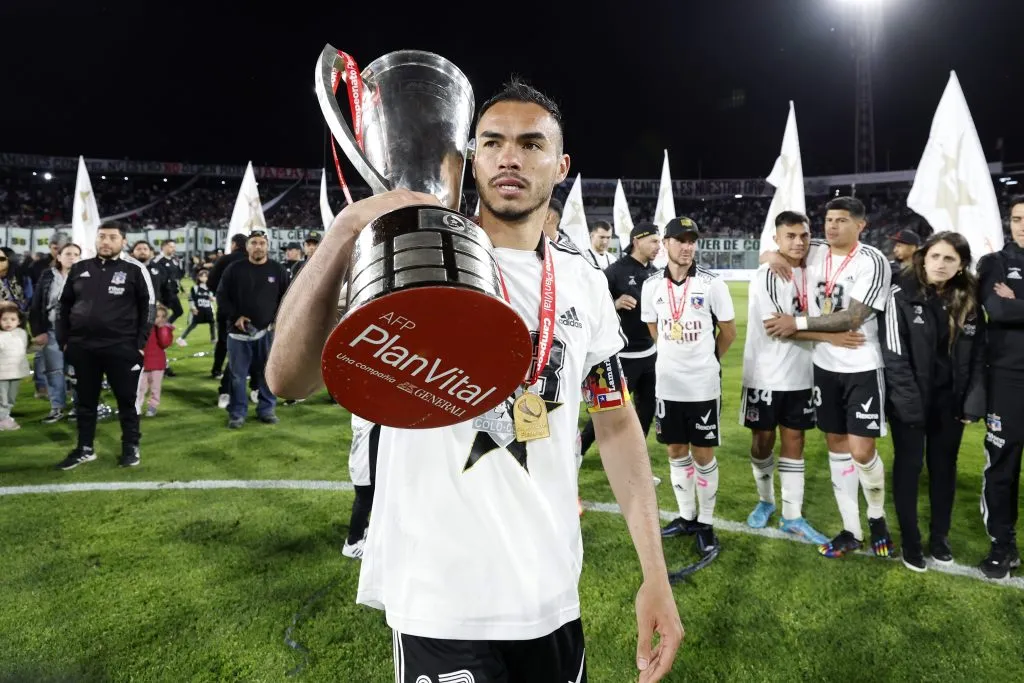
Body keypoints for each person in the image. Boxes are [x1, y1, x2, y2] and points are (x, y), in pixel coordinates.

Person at [267, 78, 682, 682]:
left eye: (531, 143)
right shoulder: (412, 252)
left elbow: (616, 424)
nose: (510, 156)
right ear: (468, 160)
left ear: (560, 165)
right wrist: (345, 231)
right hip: (439, 600)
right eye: (492, 142)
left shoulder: (583, 280)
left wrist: (655, 574)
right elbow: (287, 379)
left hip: (550, 593)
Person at [763, 196, 894, 559]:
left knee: (862, 450)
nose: (831, 226)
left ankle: (877, 517)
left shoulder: (873, 261)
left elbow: (853, 317)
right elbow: (776, 249)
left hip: (862, 366)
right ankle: (851, 529)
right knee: (836, 444)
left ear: (860, 225)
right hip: (824, 366)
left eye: (840, 220)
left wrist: (798, 323)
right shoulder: (814, 249)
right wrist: (771, 256)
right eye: (828, 219)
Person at [742, 211, 865, 544]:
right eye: (790, 236)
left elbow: (841, 242)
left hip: (803, 373)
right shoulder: (768, 274)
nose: (798, 242)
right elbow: (776, 327)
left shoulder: (816, 264)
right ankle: (766, 500)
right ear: (777, 239)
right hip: (766, 375)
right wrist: (829, 336)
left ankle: (792, 516)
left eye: (803, 236)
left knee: (795, 440)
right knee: (762, 442)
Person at [880, 231, 985, 572]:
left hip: (949, 403)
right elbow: (894, 354)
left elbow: (977, 354)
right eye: (935, 256)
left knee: (944, 470)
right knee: (909, 469)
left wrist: (971, 401)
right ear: (923, 257)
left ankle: (939, 538)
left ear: (961, 265)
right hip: (909, 400)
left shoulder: (969, 298)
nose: (940, 264)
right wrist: (908, 405)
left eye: (949, 259)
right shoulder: (901, 293)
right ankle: (911, 541)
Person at [642, 216, 737, 557]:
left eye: (691, 240)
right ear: (665, 243)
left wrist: (707, 360)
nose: (687, 246)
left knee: (703, 453)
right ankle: (685, 516)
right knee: (674, 450)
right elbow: (654, 328)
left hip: (702, 385)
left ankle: (706, 523)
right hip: (667, 383)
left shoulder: (713, 285)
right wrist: (674, 357)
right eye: (680, 240)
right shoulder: (651, 285)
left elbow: (728, 332)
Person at [55, 221, 155, 470]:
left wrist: (140, 345)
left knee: (126, 400)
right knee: (85, 402)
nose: (105, 242)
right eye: (102, 237)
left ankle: (130, 447)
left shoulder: (135, 269)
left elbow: (149, 308)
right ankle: (85, 448)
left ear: (123, 241)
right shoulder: (79, 269)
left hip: (122, 348)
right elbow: (63, 306)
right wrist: (65, 341)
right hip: (83, 348)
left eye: (112, 237)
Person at [578, 222, 661, 460]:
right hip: (620, 358)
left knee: (646, 413)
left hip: (649, 355)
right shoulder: (615, 271)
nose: (658, 246)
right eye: (654, 241)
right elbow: (590, 308)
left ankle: (634, 463)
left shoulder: (655, 273)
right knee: (605, 414)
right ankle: (577, 456)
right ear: (637, 241)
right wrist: (614, 304)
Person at [975, 195, 1024, 579]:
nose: (1022, 225)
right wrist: (1011, 304)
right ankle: (1003, 546)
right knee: (1002, 468)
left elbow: (1013, 307)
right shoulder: (995, 263)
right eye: (1018, 218)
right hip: (1008, 380)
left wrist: (1018, 299)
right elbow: (1000, 310)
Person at [217, 229, 287, 429]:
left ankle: (266, 409)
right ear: (247, 246)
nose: (258, 246)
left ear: (267, 246)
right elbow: (221, 296)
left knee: (266, 374)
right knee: (238, 376)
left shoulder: (278, 269)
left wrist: (278, 320)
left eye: (262, 243)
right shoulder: (234, 269)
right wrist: (235, 316)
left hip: (268, 332)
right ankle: (237, 413)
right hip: (238, 334)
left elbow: (286, 298)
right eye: (254, 242)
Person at [29, 242, 82, 423]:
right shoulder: (47, 276)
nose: (72, 257)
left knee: (77, 370)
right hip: (51, 330)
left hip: (77, 332)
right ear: (58, 257)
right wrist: (39, 331)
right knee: (54, 371)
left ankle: (78, 407)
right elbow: (36, 305)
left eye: (76, 254)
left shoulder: (87, 278)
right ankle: (57, 408)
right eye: (68, 253)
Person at [208, 233, 249, 381]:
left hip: (225, 307)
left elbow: (210, 282)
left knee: (223, 340)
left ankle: (217, 369)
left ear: (234, 244)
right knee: (246, 340)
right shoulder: (251, 260)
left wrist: (221, 295)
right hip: (247, 309)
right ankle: (243, 371)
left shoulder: (224, 259)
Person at [343, 414, 380, 559]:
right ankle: (353, 543)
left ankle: (363, 529)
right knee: (365, 500)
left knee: (363, 499)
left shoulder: (360, 409)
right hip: (365, 463)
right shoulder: (369, 412)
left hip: (359, 460)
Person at [137, 304, 174, 417]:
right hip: (143, 362)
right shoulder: (143, 327)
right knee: (140, 387)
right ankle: (137, 406)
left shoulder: (164, 329)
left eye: (163, 317)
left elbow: (165, 343)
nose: (159, 319)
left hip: (157, 364)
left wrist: (162, 328)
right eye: (157, 316)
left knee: (155, 387)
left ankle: (152, 406)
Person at [0, 302, 30, 431]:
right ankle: (3, 419)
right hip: (2, 373)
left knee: (11, 397)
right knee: (2, 398)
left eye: (12, 319)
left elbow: (23, 351)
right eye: (4, 319)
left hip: (16, 372)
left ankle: (6, 416)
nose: (8, 322)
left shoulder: (22, 333)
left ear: (18, 321)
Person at [177, 268, 215, 345]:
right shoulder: (195, 288)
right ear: (198, 277)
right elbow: (191, 299)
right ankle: (181, 338)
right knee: (193, 325)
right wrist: (193, 308)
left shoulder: (210, 288)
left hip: (207, 310)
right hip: (198, 310)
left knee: (212, 323)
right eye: (202, 276)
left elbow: (213, 298)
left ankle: (213, 339)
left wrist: (213, 298)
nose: (204, 278)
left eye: (206, 276)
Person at [152, 239, 184, 323]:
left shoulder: (174, 259)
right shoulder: (157, 260)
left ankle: (165, 327)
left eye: (174, 247)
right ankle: (159, 330)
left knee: (179, 311)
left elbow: (176, 276)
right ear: (163, 247)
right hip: (163, 293)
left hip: (172, 292)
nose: (173, 249)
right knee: (161, 314)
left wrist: (180, 288)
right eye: (170, 247)